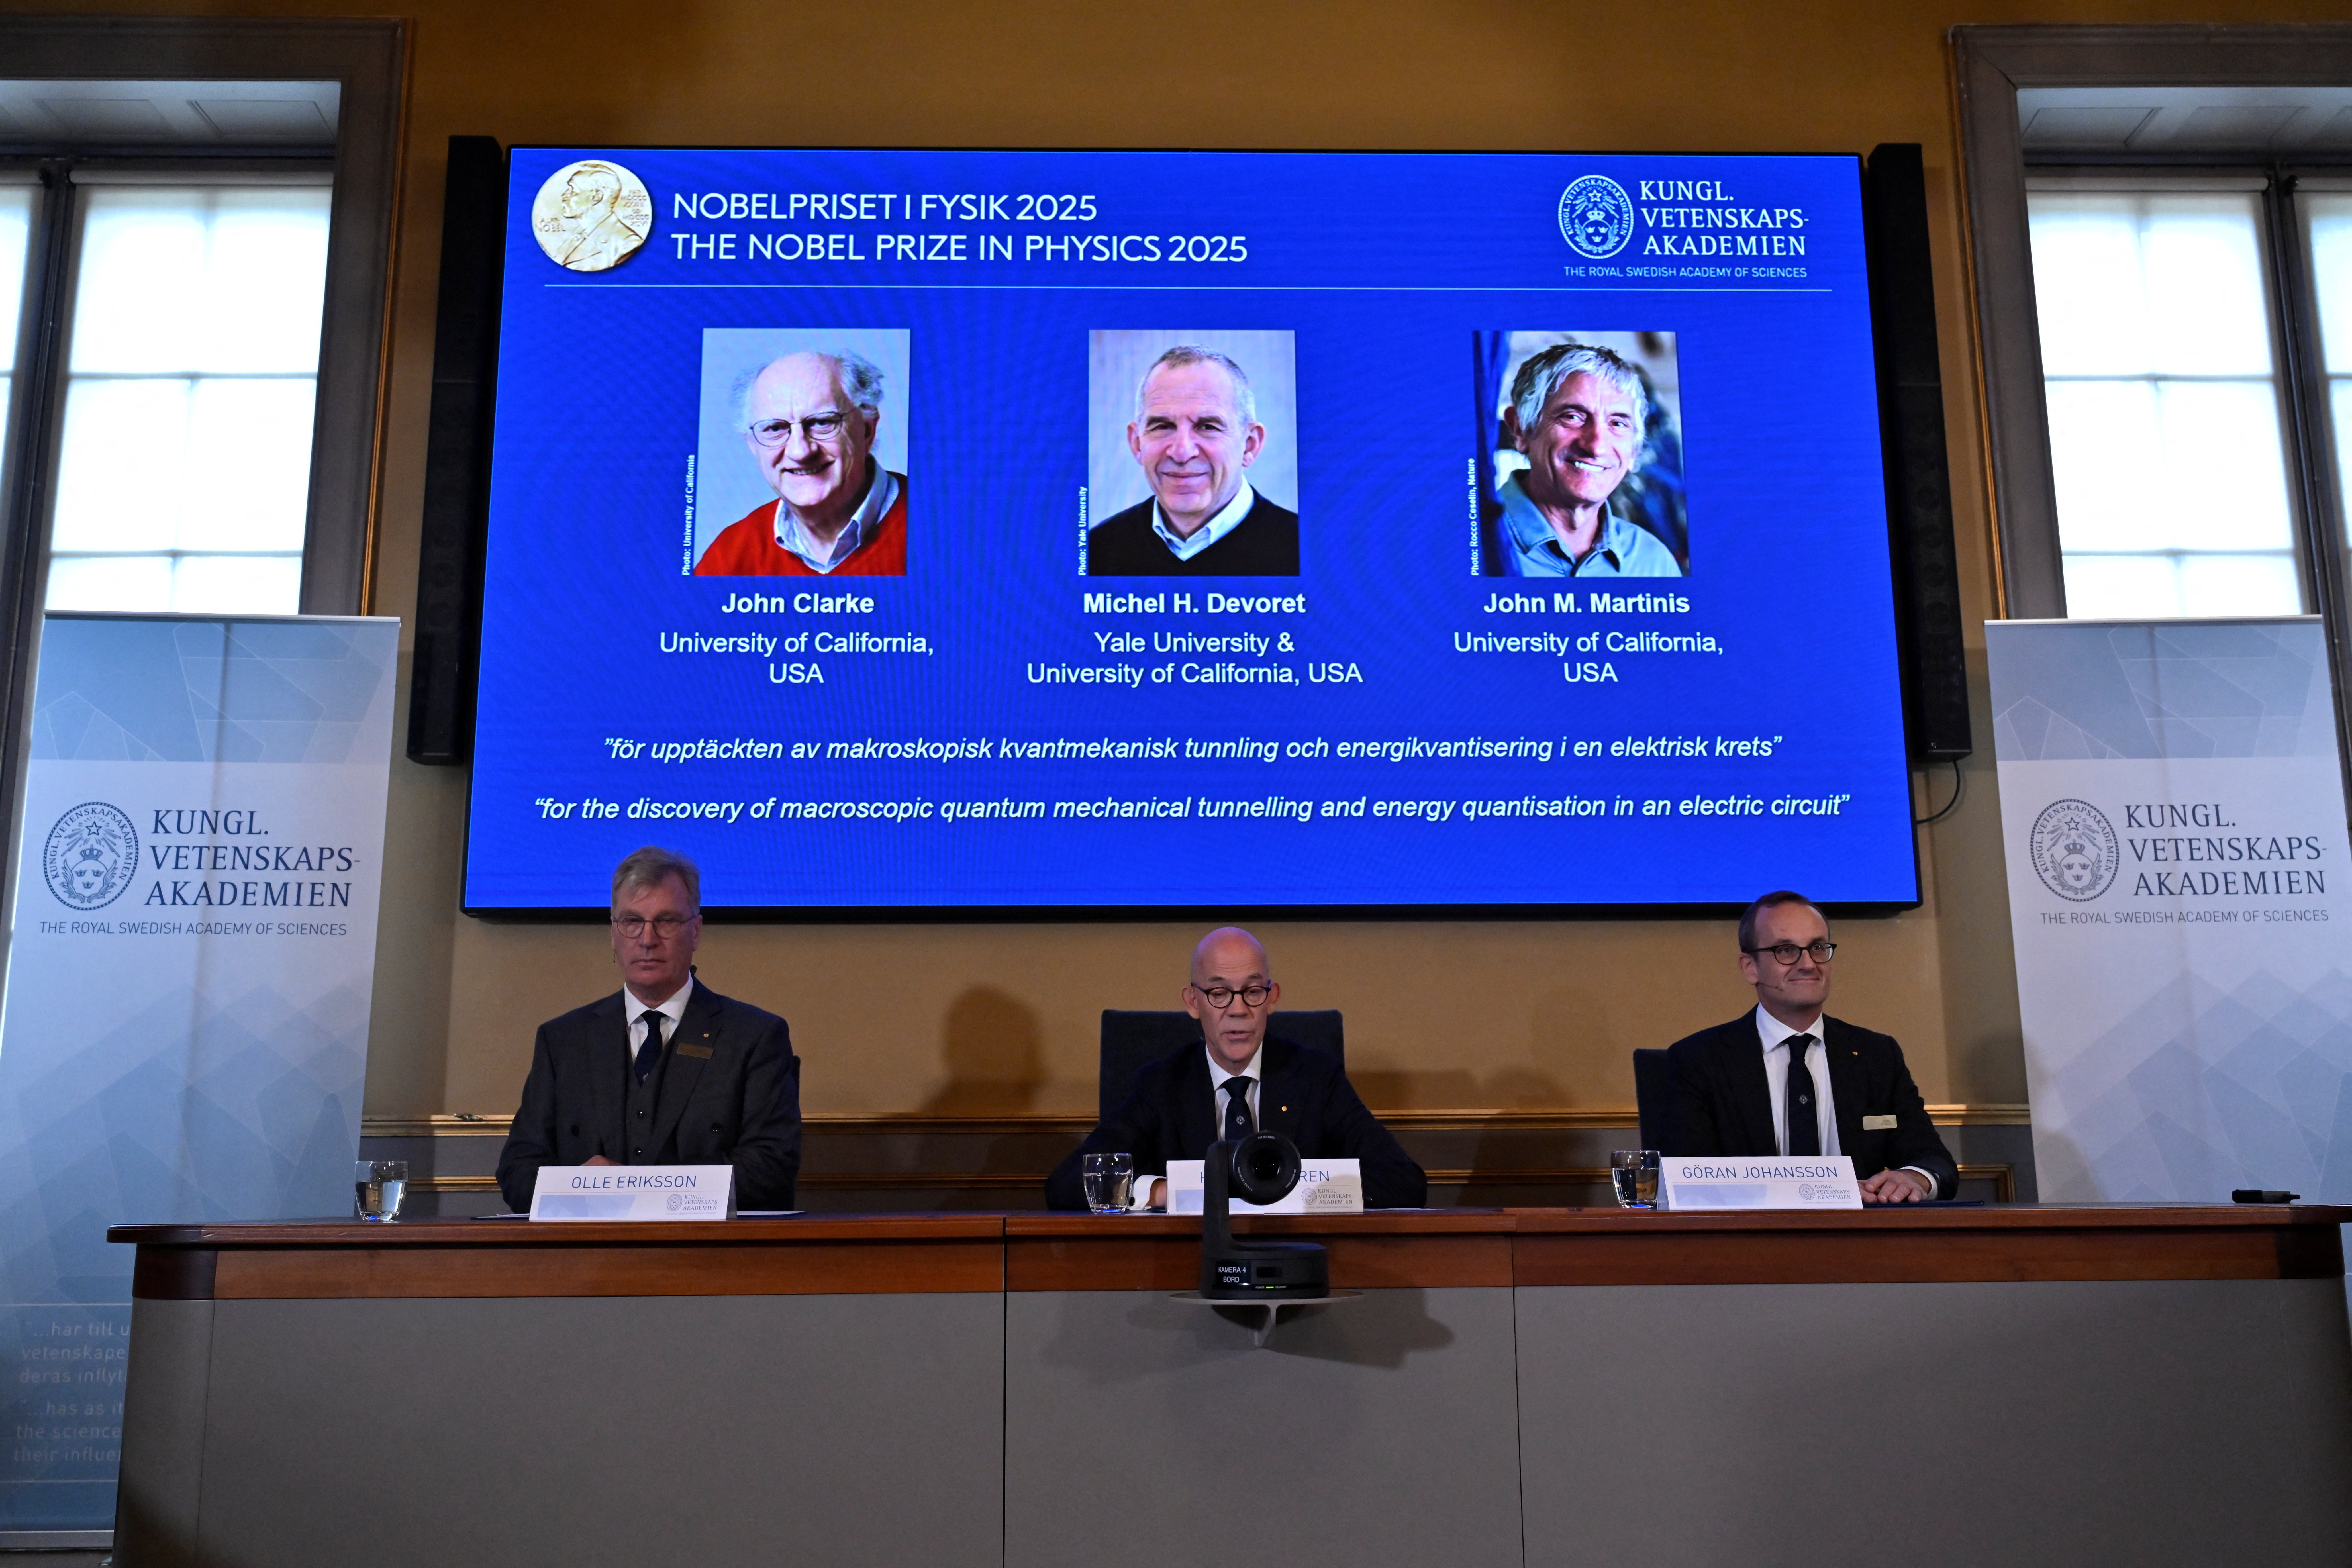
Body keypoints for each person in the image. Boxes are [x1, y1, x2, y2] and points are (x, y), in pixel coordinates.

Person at [494, 847, 802, 1211]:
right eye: (632, 921)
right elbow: (517, 1171)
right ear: (614, 933)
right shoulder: (563, 1041)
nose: (647, 939)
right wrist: (580, 1186)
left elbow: (771, 1169)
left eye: (667, 921)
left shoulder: (754, 1036)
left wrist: (645, 1193)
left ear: (697, 931)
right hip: (587, 1258)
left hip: (708, 1257)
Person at [1046, 927, 1424, 1210]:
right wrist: (1169, 1191)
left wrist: (1297, 1188)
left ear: (1272, 998)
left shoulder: (1314, 1078)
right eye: (1219, 993)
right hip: (1188, 1267)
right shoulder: (1162, 1085)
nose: (1239, 1009)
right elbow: (1067, 1185)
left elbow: (1405, 1182)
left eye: (1253, 991)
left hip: (1299, 1261)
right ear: (1193, 1002)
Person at [1652, 890, 1957, 1202]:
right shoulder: (1697, 1060)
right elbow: (1688, 1179)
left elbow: (1934, 1161)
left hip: (1860, 1241)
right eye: (1786, 950)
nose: (1809, 964)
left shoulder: (1877, 1055)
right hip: (1747, 1241)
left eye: (1817, 947)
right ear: (1750, 967)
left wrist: (1913, 1178)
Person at [1086, 346, 1298, 575]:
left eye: (1208, 427)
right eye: (1163, 427)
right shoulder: (1096, 551)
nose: (1182, 452)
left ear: (1250, 445)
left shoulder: (1307, 552)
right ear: (1137, 443)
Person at [694, 350, 907, 576]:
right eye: (775, 429)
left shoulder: (941, 527)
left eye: (823, 422)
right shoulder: (730, 555)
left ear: (867, 430)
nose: (800, 452)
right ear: (753, 446)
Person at [1486, 342, 1683, 578]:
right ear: (1519, 429)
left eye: (1618, 424)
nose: (1596, 446)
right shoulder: (1464, 546)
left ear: (1635, 450)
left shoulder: (1654, 563)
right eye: (1572, 417)